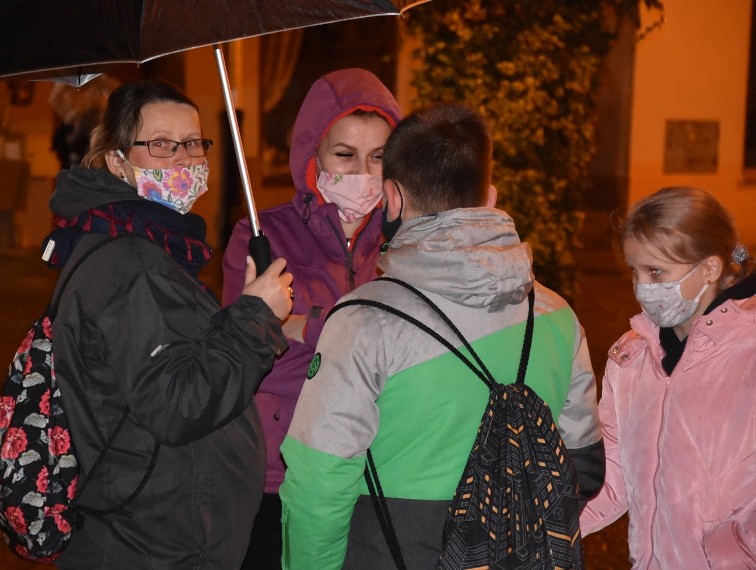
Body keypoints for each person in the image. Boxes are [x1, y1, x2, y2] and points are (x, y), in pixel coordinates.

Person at [278, 103, 605, 569]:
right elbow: (585, 468)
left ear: (392, 197)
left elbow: (318, 484)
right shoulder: (556, 313)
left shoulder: (365, 322)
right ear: (488, 195)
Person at [41, 80, 294, 569]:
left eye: (193, 143)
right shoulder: (132, 264)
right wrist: (255, 318)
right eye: (160, 145)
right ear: (117, 162)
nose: (183, 159)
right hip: (154, 541)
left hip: (151, 526)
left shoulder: (143, 244)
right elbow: (177, 403)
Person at [221, 68, 401, 569]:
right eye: (345, 154)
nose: (364, 172)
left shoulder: (404, 244)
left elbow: (413, 355)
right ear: (312, 156)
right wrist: (356, 335)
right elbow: (253, 359)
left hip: (377, 472)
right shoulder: (261, 238)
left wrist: (306, 325)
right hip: (276, 475)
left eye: (380, 157)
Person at [580, 187, 756, 569]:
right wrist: (539, 530)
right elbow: (612, 476)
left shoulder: (749, 353)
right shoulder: (630, 357)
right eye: (635, 271)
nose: (643, 287)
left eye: (656, 271)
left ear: (709, 268)